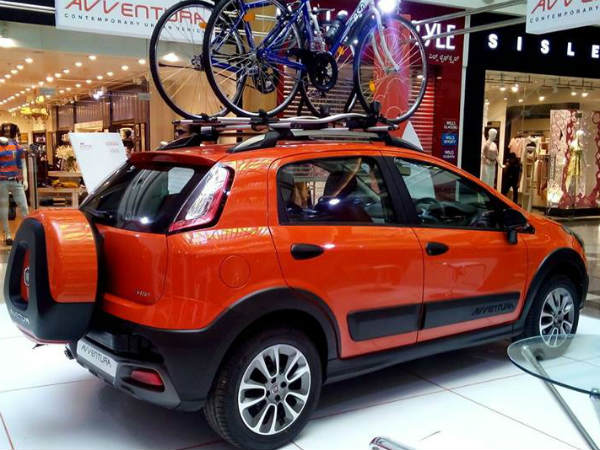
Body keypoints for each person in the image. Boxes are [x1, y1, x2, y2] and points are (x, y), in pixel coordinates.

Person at [0, 123, 29, 245]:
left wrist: (25, 180)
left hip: (16, 180)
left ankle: (26, 233)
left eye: (9, 130)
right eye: (5, 130)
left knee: (24, 207)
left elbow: (23, 164)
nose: (7, 132)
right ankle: (7, 234)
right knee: (3, 208)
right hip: (2, 181)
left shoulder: (18, 146)